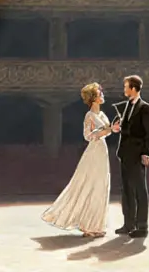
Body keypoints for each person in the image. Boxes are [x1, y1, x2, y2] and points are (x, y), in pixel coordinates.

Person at [41, 82, 113, 237]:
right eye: (100, 93)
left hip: (102, 150)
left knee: (101, 186)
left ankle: (96, 225)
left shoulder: (102, 114)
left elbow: (106, 132)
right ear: (93, 98)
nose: (103, 95)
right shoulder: (90, 115)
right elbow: (88, 136)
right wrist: (107, 130)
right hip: (94, 152)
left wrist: (112, 129)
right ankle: (88, 226)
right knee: (90, 185)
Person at [114, 74, 149, 238]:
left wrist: (146, 152)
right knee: (126, 190)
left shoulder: (146, 108)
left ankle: (142, 226)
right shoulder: (126, 107)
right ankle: (128, 224)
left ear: (133, 88)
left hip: (138, 154)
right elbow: (126, 130)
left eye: (126, 87)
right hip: (125, 154)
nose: (124, 89)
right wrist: (117, 127)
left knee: (139, 190)